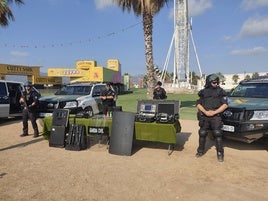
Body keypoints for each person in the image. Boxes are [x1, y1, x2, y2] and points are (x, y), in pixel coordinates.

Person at [195, 74, 228, 162]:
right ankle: (200, 151)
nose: (216, 83)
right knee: (202, 133)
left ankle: (220, 153)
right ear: (209, 82)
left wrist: (214, 112)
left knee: (217, 133)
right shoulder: (203, 92)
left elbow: (225, 105)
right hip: (205, 117)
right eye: (214, 82)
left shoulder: (221, 92)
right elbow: (198, 104)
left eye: (217, 82)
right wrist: (205, 112)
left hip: (215, 116)